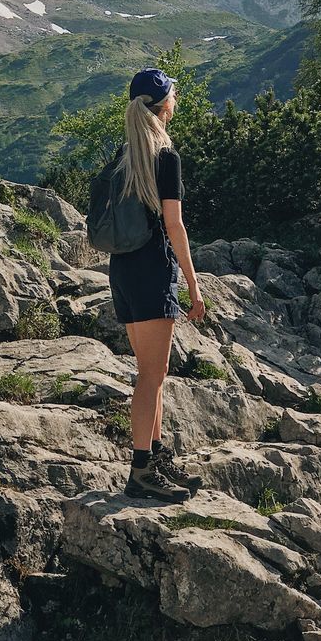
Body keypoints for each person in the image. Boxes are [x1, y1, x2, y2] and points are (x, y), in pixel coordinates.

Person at [109, 66, 208, 503]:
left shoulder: (123, 155)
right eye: (173, 95)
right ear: (163, 105)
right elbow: (174, 225)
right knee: (151, 376)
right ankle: (141, 472)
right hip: (152, 272)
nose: (176, 100)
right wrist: (193, 283)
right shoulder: (165, 156)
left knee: (153, 373)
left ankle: (157, 458)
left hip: (123, 273)